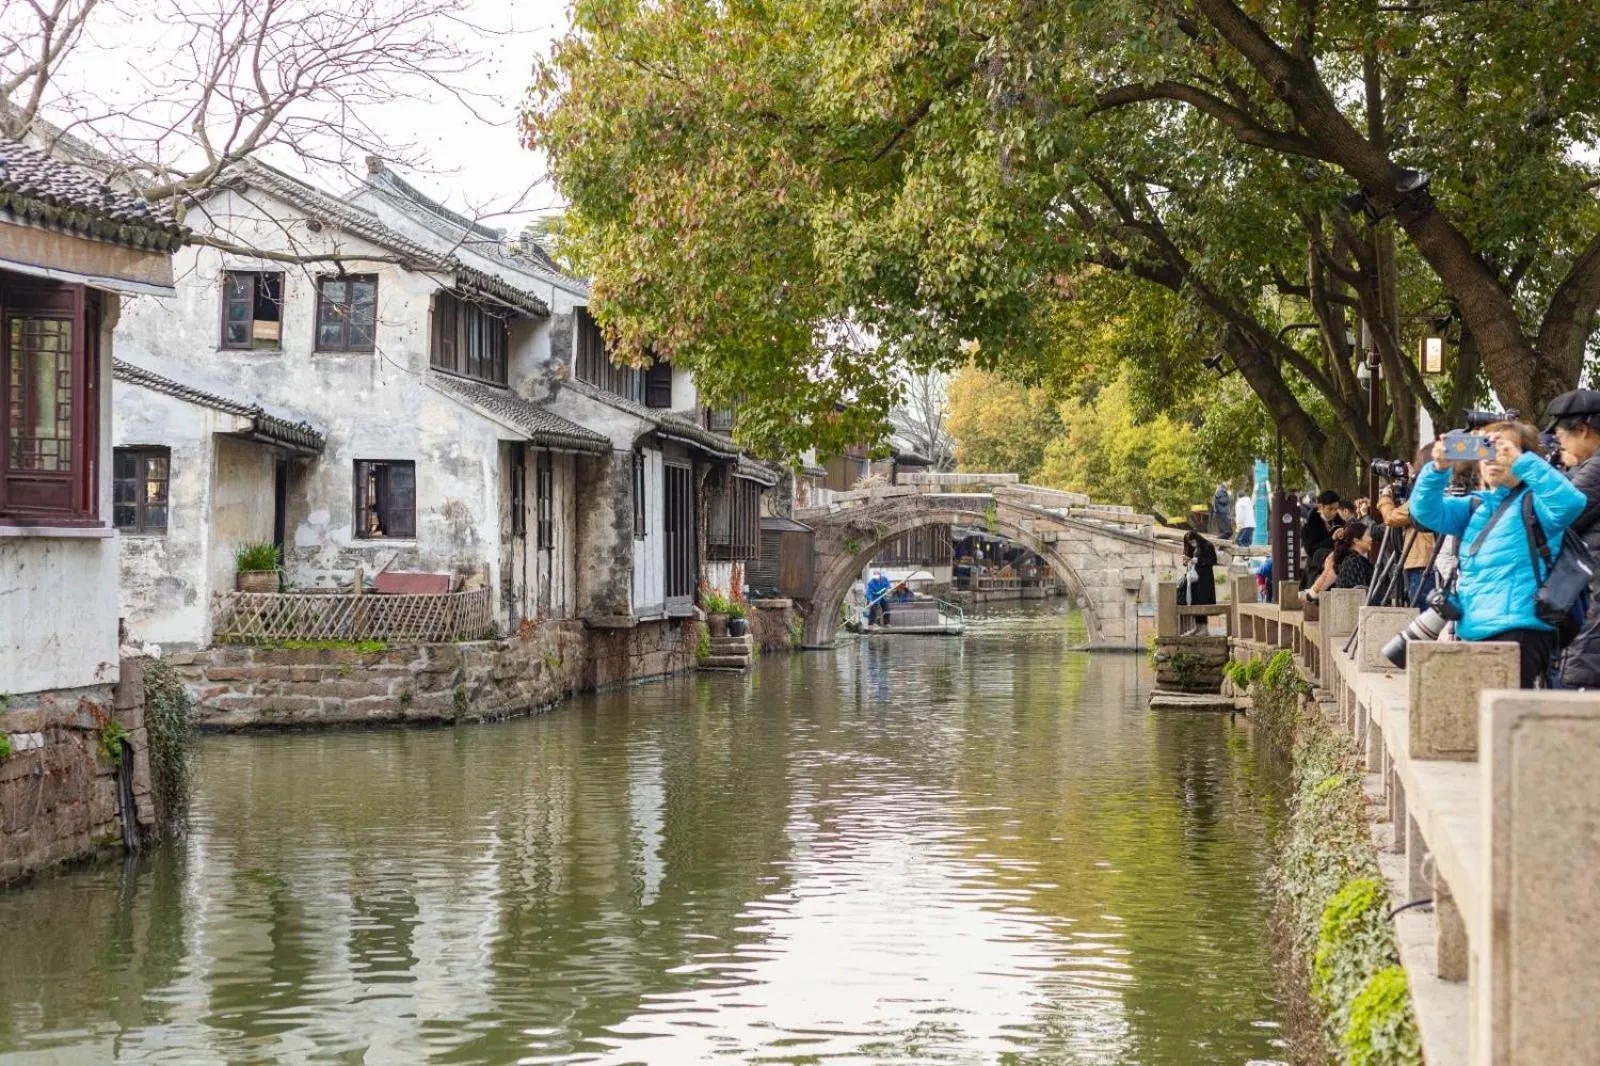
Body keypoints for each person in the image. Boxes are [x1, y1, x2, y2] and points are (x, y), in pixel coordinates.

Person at [1409, 421, 1587, 689]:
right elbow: (1424, 512)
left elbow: (1571, 503)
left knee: (1506, 719)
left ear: (1524, 455)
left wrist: (1521, 462)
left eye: (1502, 449)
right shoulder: (1477, 505)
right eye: (1485, 449)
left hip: (1520, 628)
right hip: (1473, 627)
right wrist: (1438, 469)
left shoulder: (1535, 503)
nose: (1492, 458)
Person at [1548, 388, 1600, 687]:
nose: (1558, 444)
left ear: (1582, 430)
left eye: (1561, 437)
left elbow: (1558, 515)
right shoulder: (1589, 468)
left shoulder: (1596, 469)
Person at [1374, 446, 1440, 605]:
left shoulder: (1427, 496)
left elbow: (1391, 518)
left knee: (1425, 617)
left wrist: (1385, 498)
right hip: (1428, 563)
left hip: (1423, 564)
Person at [1179, 530, 1218, 631]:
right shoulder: (1191, 548)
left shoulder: (1207, 546)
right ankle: (1198, 627)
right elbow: (1189, 561)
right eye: (1190, 542)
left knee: (1202, 601)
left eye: (1193, 541)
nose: (1192, 544)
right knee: (1194, 601)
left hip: (1204, 579)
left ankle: (1204, 628)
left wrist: (1199, 561)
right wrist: (1187, 560)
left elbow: (1213, 560)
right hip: (1193, 580)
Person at [1302, 489, 1344, 573]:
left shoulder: (1341, 523)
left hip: (1339, 567)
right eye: (1330, 509)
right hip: (1317, 570)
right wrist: (1332, 539)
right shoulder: (1309, 527)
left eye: (1336, 509)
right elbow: (1311, 551)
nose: (1334, 513)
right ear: (1321, 506)